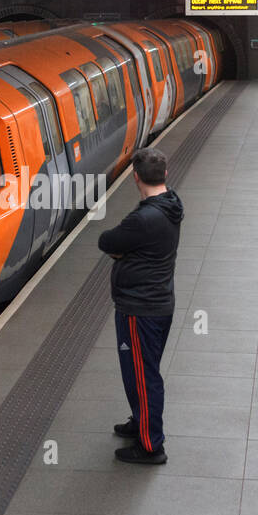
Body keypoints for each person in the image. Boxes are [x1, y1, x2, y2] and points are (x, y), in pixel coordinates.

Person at [97, 147, 183, 465]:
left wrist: (125, 253)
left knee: (143, 376)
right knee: (141, 371)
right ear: (165, 175)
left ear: (135, 177)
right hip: (159, 303)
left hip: (140, 309)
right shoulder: (170, 203)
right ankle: (140, 421)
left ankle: (150, 446)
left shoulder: (144, 218)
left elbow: (107, 241)